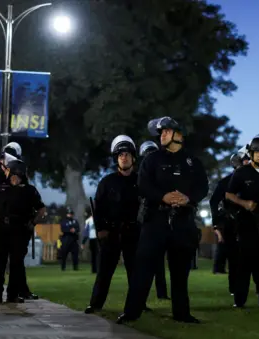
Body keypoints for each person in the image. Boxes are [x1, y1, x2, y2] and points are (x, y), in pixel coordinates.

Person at [117, 116, 208, 324]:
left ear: (179, 135)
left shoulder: (193, 162)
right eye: (161, 133)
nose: (162, 135)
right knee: (143, 269)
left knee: (180, 271)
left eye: (166, 131)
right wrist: (163, 197)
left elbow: (202, 186)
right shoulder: (152, 160)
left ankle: (182, 314)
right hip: (155, 220)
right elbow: (143, 185)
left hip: (182, 221)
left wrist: (188, 198)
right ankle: (131, 313)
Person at [85, 135, 141, 313]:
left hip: (134, 233)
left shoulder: (142, 181)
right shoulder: (107, 182)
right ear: (116, 158)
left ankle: (136, 307)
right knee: (104, 272)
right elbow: (98, 209)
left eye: (127, 154)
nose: (124, 157)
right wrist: (101, 229)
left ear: (133, 157)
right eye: (120, 155)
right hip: (111, 233)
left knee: (135, 273)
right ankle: (95, 304)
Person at [0, 159, 46, 303]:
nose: (7, 173)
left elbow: (41, 209)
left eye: (9, 170)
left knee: (16, 264)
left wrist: (33, 222)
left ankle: (13, 294)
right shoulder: (2, 189)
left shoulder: (29, 191)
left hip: (19, 230)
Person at [226, 134, 259, 309]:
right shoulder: (241, 173)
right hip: (247, 223)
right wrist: (244, 203)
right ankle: (239, 301)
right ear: (250, 153)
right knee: (245, 262)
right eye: (257, 152)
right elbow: (228, 195)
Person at [210, 150, 248, 295]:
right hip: (231, 223)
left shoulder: (253, 180)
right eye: (244, 161)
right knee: (234, 258)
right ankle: (235, 289)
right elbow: (214, 201)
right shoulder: (225, 182)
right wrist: (216, 222)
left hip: (249, 222)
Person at [138, 140, 169, 300]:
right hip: (144, 220)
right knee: (145, 262)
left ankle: (160, 293)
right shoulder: (141, 175)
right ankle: (140, 298)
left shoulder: (161, 174)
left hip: (158, 219)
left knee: (157, 261)